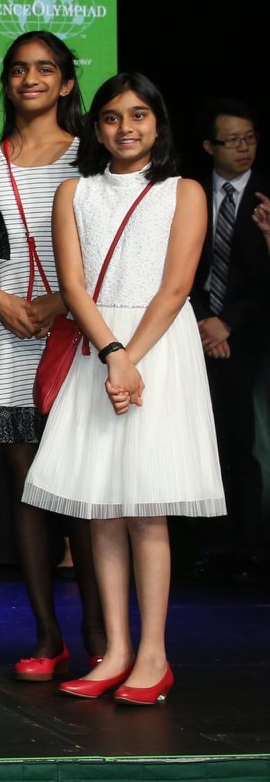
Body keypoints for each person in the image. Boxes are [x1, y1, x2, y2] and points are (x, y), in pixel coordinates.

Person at [24, 73, 225, 705]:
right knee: (101, 507)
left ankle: (154, 656)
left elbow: (176, 287)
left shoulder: (183, 190)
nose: (126, 128)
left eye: (139, 115)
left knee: (145, 506)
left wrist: (129, 360)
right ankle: (115, 650)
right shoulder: (74, 191)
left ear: (158, 123)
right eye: (111, 117)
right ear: (96, 127)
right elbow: (74, 286)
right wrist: (113, 355)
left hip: (158, 350)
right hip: (100, 347)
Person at [0, 31, 103, 680]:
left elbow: (109, 246)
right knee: (27, 494)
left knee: (82, 495)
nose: (30, 79)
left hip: (76, 330)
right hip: (5, 332)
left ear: (67, 82)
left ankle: (100, 635)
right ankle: (48, 637)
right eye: (19, 69)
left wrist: (57, 302)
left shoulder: (91, 157)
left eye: (45, 69)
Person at [189, 100, 267, 583]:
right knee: (206, 443)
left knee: (246, 443)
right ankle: (213, 546)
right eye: (232, 140)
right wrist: (205, 322)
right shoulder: (190, 192)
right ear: (208, 146)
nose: (243, 147)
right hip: (195, 333)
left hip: (250, 337)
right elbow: (178, 266)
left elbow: (261, 280)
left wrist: (228, 324)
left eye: (250, 138)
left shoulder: (265, 195)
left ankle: (252, 547)